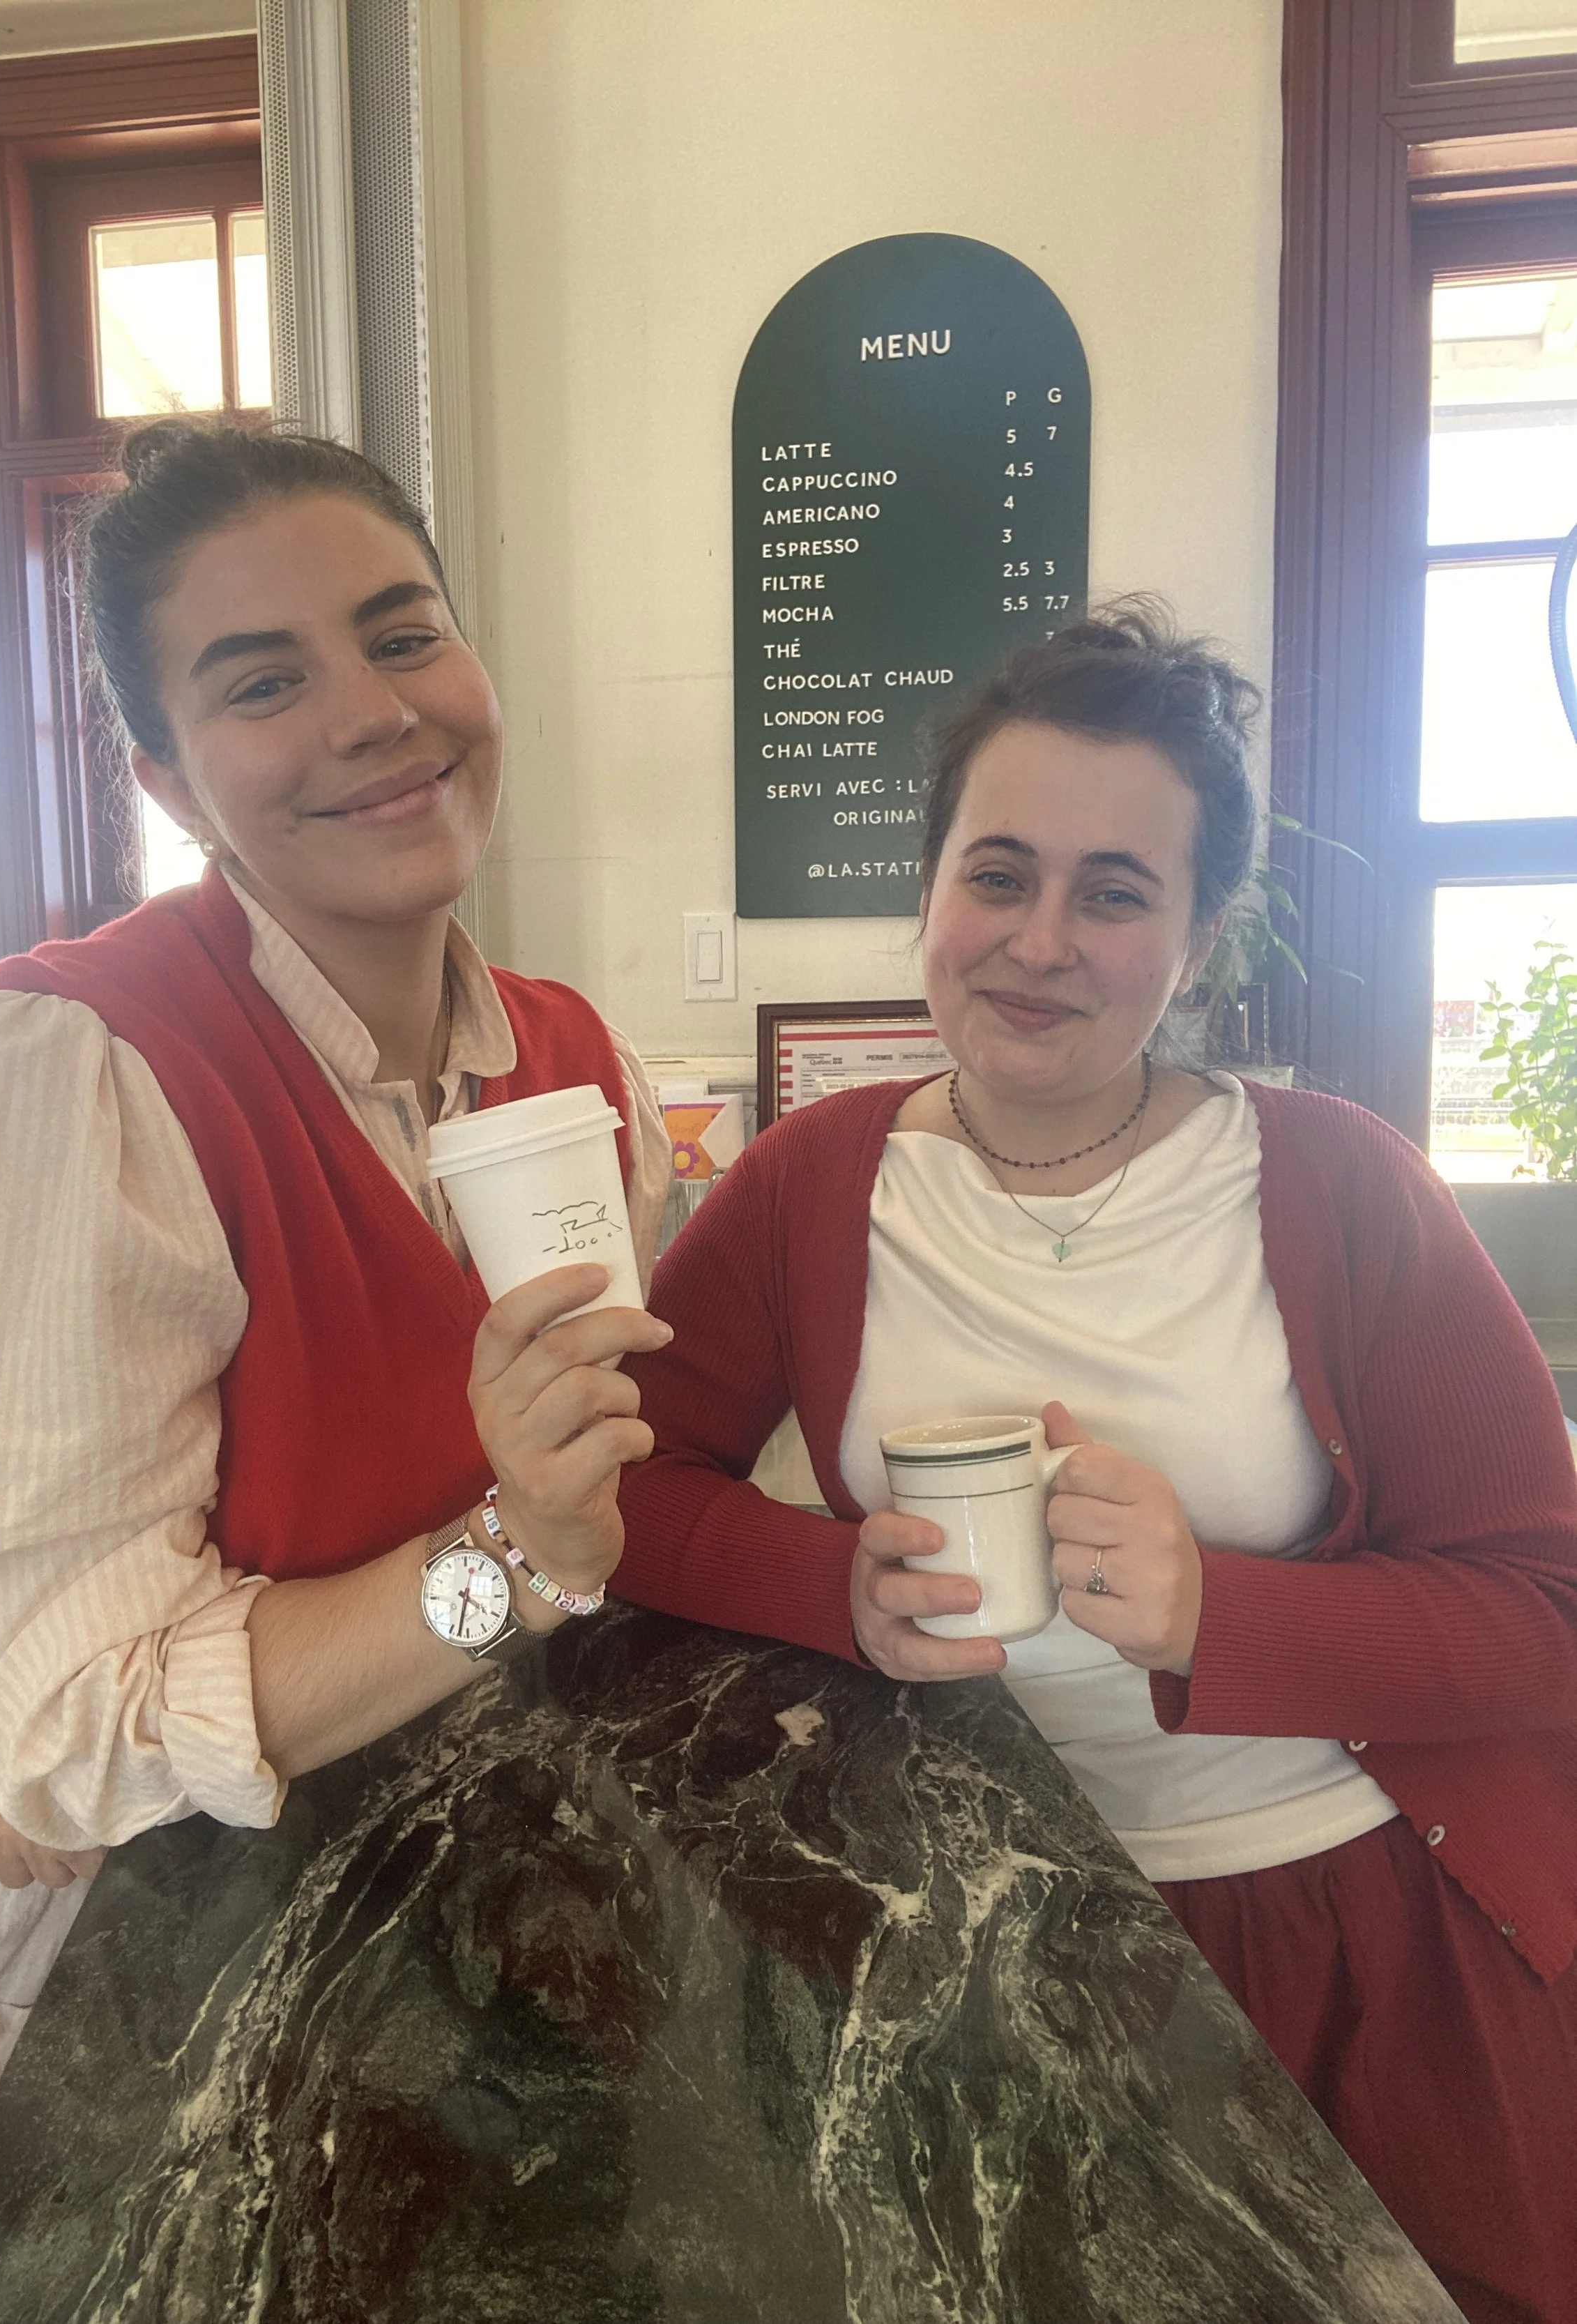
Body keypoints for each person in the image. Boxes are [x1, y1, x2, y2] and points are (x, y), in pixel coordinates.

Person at [613, 605, 1577, 2324]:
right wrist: (830, 1586)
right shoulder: (805, 1186)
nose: (1037, 942)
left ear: (1197, 937)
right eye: (996, 874)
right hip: (967, 1936)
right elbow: (623, 1488)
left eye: (1113, 892)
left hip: (1338, 1939)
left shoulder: (1343, 1188)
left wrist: (1223, 1611)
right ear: (926, 892)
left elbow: (1544, 1611)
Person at [0, 420, 673, 2324]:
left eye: (405, 634)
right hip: (8, 1927)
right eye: (263, 680)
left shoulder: (564, 1061)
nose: (375, 713)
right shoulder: (68, 1078)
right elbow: (57, 1719)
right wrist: (514, 1557)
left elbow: (616, 1466)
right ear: (167, 774)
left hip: (318, 1880)